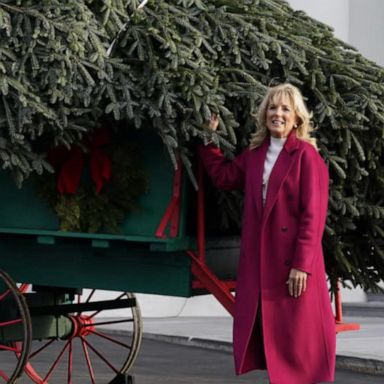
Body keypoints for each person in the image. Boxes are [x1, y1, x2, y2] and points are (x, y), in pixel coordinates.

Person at [198, 83, 336, 384]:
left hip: (293, 262)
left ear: (297, 117)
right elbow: (224, 177)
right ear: (264, 114)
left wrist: (301, 265)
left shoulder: (306, 157)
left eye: (285, 108)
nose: (278, 113)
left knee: (298, 338)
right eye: (272, 107)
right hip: (262, 259)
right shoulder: (255, 155)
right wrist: (209, 139)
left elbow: (313, 215)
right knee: (273, 334)